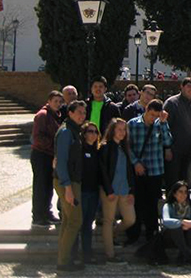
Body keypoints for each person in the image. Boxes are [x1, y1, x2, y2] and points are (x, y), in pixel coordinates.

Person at [127, 99, 173, 243]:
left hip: (155, 170)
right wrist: (135, 163)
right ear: (146, 110)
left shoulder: (160, 124)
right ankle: (133, 235)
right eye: (151, 115)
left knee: (152, 204)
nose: (153, 118)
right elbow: (127, 147)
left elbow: (168, 142)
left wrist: (164, 123)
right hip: (138, 170)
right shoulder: (133, 124)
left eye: (156, 116)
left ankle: (151, 235)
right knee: (137, 203)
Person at [53, 100, 87, 273]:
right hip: (68, 182)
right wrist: (67, 188)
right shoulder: (67, 132)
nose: (82, 115)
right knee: (74, 220)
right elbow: (62, 162)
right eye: (79, 112)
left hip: (72, 181)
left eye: (84, 112)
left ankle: (64, 258)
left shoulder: (74, 130)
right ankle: (63, 261)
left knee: (68, 221)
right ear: (70, 113)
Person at [99, 118, 136, 264]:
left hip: (124, 190)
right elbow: (102, 171)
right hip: (111, 191)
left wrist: (132, 190)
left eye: (124, 129)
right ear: (113, 130)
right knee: (108, 220)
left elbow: (129, 170)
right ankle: (110, 254)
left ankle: (112, 235)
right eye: (119, 129)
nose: (122, 132)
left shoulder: (124, 147)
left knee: (130, 219)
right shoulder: (105, 147)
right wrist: (109, 191)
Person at [30, 90, 63, 227]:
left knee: (48, 185)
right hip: (41, 154)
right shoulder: (43, 115)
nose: (58, 104)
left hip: (49, 155)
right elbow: (38, 137)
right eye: (55, 101)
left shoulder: (55, 115)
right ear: (49, 101)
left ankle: (46, 212)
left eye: (60, 101)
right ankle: (38, 215)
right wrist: (54, 145)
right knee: (40, 186)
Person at [163, 77, 191, 190]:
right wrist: (167, 148)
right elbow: (164, 127)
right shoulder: (172, 103)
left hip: (189, 151)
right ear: (182, 87)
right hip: (174, 151)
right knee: (173, 183)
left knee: (185, 184)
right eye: (188, 86)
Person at [160, 181, 191, 266]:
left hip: (186, 234)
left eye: (185, 192)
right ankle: (188, 256)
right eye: (180, 192)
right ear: (174, 194)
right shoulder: (168, 206)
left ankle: (182, 256)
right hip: (171, 236)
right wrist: (181, 222)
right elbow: (166, 220)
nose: (183, 194)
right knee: (176, 229)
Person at [77, 122, 102, 264]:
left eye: (95, 132)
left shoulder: (97, 150)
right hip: (82, 191)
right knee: (79, 223)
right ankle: (74, 253)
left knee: (88, 224)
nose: (93, 134)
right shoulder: (80, 149)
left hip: (94, 191)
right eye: (90, 131)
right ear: (84, 133)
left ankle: (87, 253)